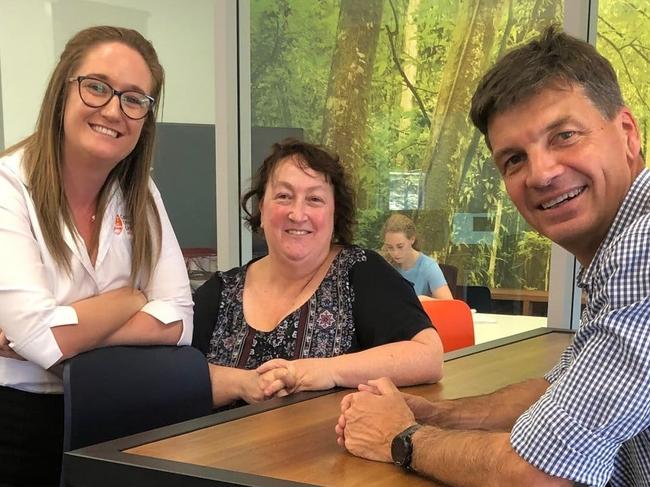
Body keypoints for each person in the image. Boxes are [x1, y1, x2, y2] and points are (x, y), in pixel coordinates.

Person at [336, 26, 650, 486]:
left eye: (564, 135)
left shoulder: (640, 252)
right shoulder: (619, 252)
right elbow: (557, 395)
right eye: (515, 159)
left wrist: (402, 437)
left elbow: (540, 474)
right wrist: (434, 413)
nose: (541, 173)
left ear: (626, 133)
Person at [0, 26, 193, 486]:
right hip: (16, 423)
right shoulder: (10, 186)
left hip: (115, 413)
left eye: (134, 99)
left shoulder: (140, 193)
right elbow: (41, 338)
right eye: (97, 86)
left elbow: (182, 319)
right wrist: (130, 299)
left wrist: (56, 335)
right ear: (63, 88)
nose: (113, 109)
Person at [192, 139, 443, 408]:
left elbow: (428, 357)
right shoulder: (220, 292)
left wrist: (326, 371)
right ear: (262, 210)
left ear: (335, 215)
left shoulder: (360, 272)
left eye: (314, 199)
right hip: (222, 450)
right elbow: (174, 382)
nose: (297, 214)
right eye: (284, 196)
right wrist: (243, 384)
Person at [382, 213, 453, 300]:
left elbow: (449, 305)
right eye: (390, 247)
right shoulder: (385, 264)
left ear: (412, 239)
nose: (395, 253)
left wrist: (424, 300)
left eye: (400, 246)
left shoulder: (428, 267)